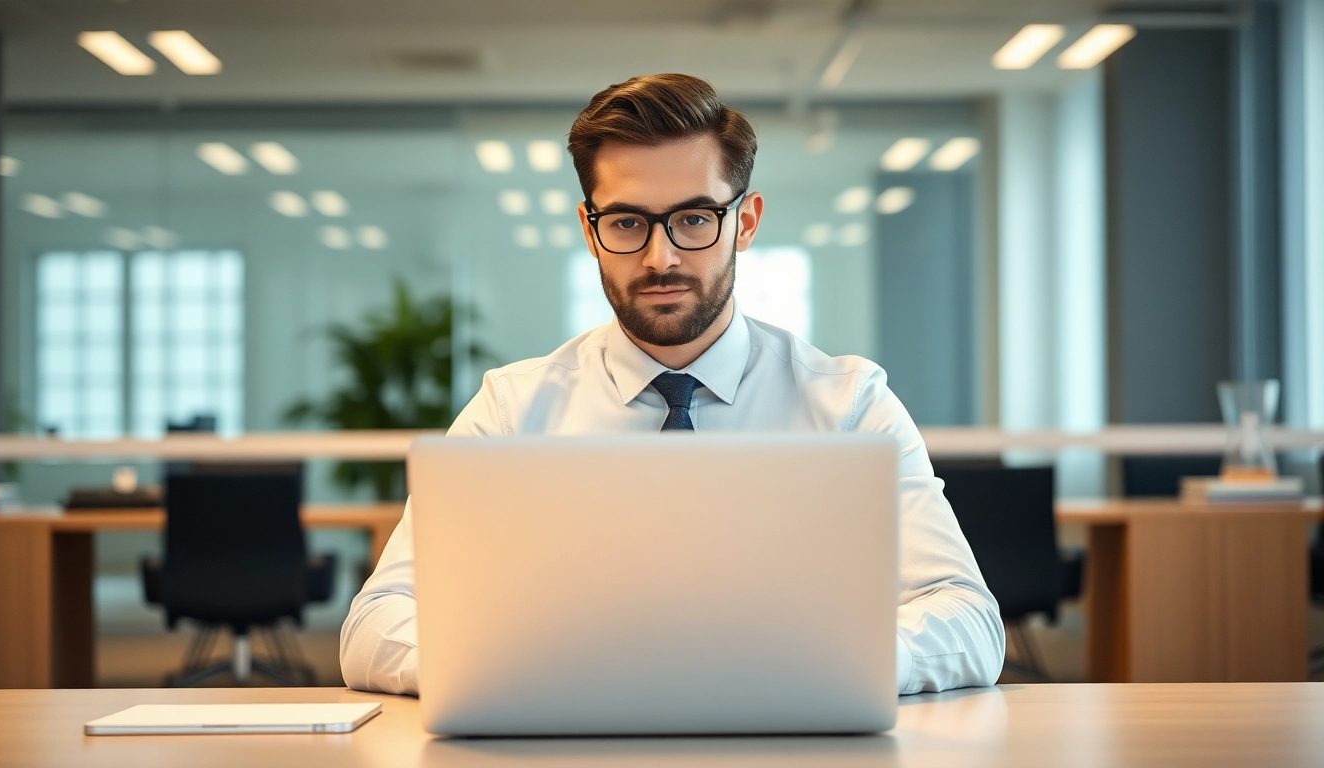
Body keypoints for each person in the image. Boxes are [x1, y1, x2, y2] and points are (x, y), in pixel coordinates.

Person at [341, 73, 1005, 696]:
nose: (661, 258)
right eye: (627, 222)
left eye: (694, 218)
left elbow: (968, 617)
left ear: (745, 222)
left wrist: (827, 667)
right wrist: (513, 672)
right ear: (590, 231)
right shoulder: (512, 412)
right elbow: (375, 622)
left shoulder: (849, 406)